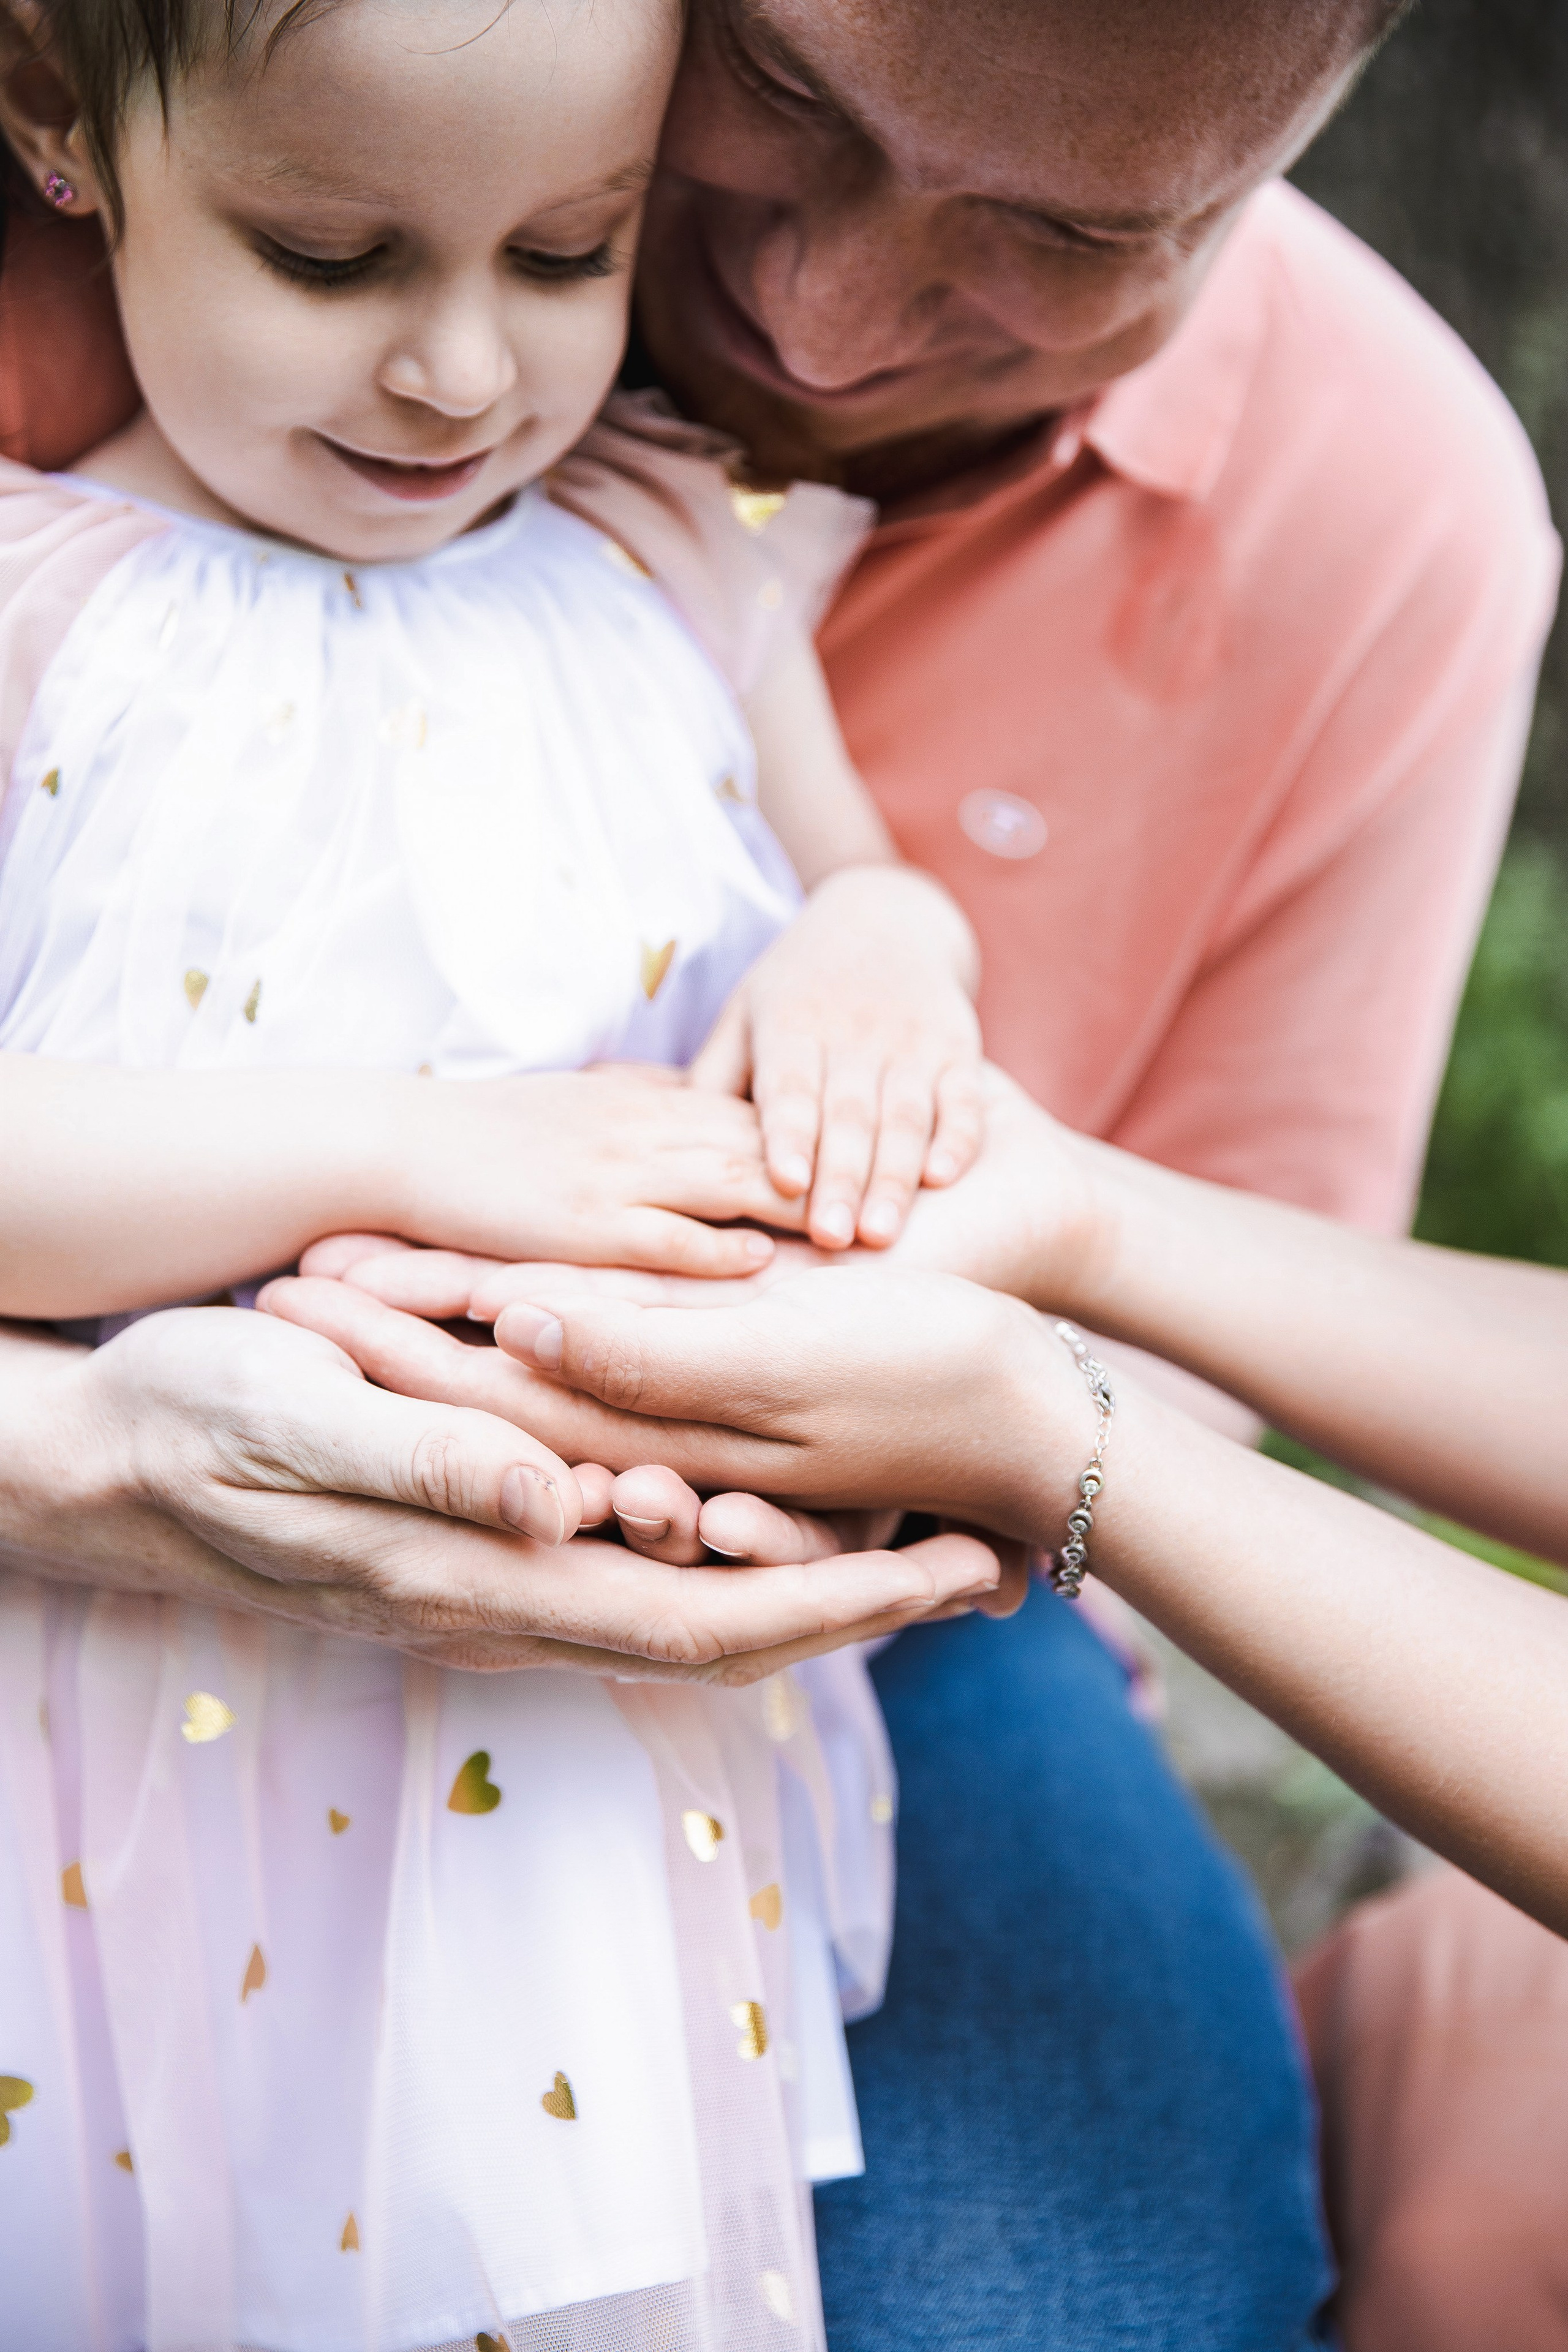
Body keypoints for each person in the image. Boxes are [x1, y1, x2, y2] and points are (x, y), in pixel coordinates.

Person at [0, 0, 1558, 2344]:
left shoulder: (1344, 522)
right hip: (121, 1569)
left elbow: (1188, 1325)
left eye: (1058, 230)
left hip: (812, 1582)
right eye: (792, 112)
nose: (812, 325)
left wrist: (886, 988)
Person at [0, 0, 1022, 2342]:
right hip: (157, 1687)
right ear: (64, 120)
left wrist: (883, 947)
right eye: (331, 252)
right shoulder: (40, 616)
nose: (462, 370)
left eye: (566, 253)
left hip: (593, 1698)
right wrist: (410, 1148)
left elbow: (858, 877)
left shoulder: (671, 556)